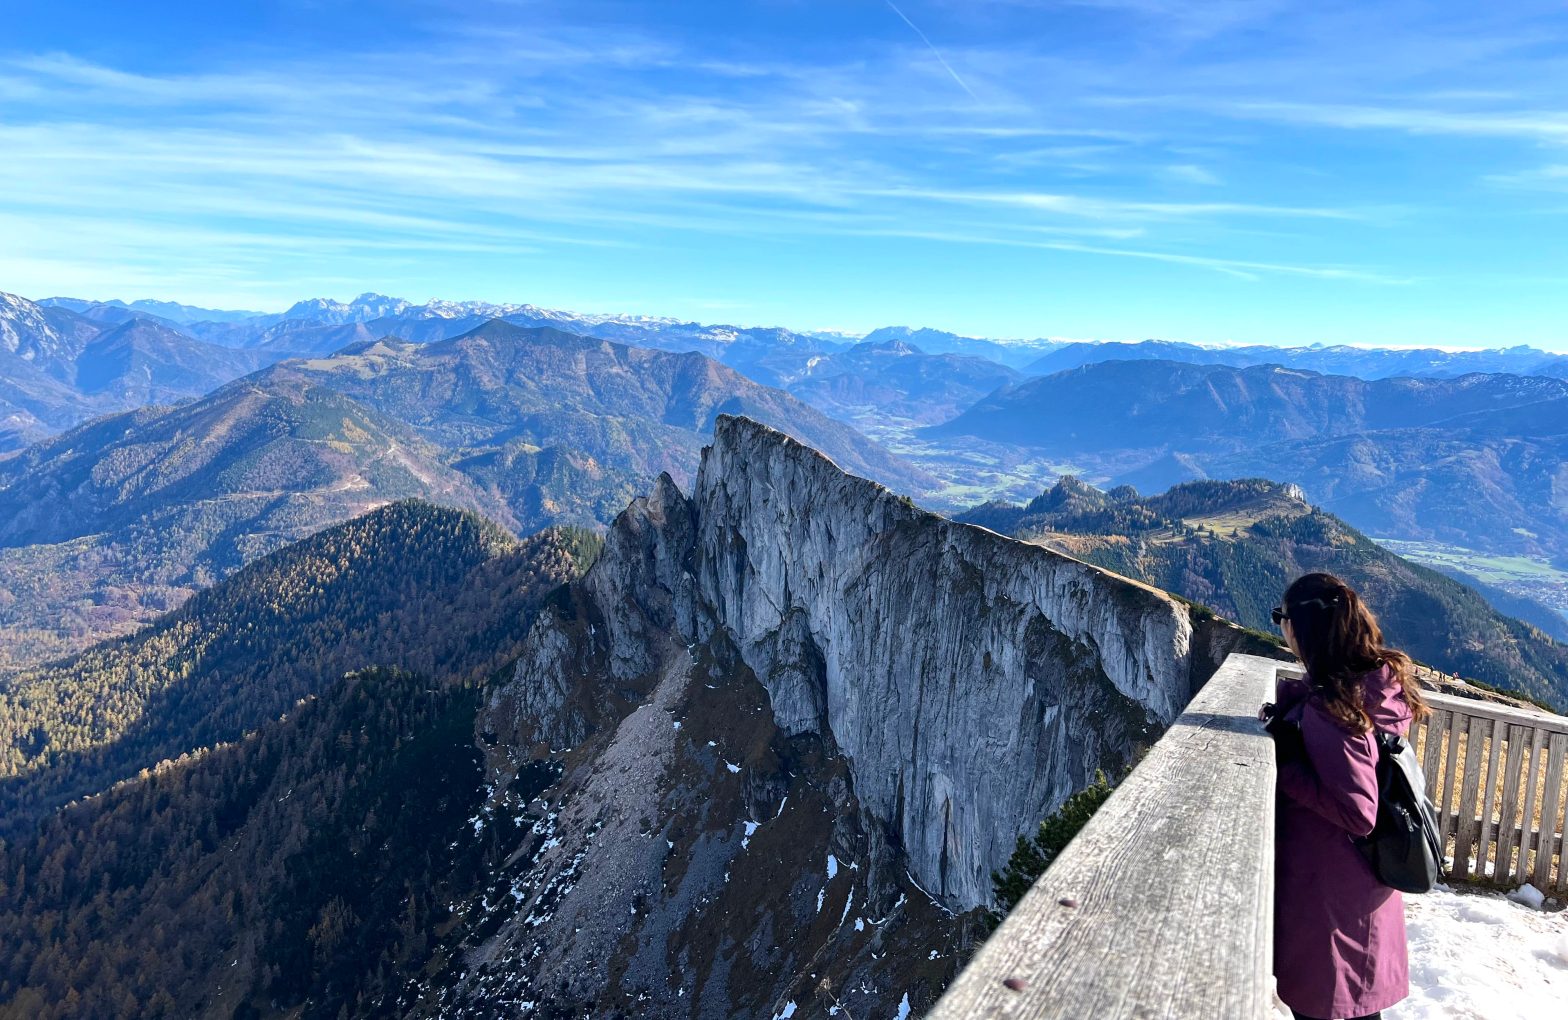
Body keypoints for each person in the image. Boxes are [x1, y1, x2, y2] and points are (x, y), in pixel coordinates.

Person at [1260, 572, 1429, 1020]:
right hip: (1356, 894)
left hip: (1330, 903)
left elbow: (1358, 811)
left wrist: (1285, 763)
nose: (1281, 627)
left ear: (1300, 626)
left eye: (1280, 617)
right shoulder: (1366, 691)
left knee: (1334, 1012)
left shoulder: (1334, 707)